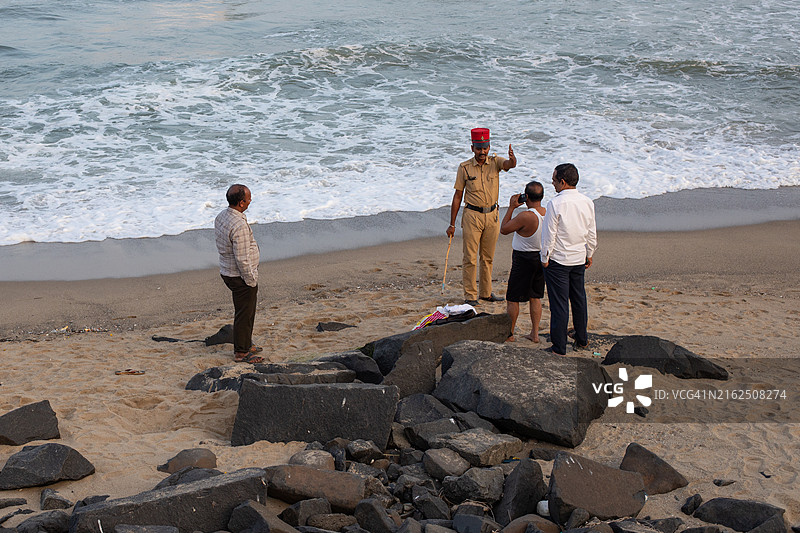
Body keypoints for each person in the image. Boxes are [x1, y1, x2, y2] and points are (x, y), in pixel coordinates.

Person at [446, 127, 517, 305]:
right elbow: (457, 196)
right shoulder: (464, 168)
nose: (482, 152)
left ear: (489, 146)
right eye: (479, 148)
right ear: (472, 148)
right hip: (472, 216)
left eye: (485, 148)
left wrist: (512, 159)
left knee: (488, 257)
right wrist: (452, 224)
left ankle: (486, 293)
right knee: (469, 258)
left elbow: (508, 165)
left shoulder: (495, 162)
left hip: (492, 215)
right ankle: (470, 296)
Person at [540, 163, 597, 355]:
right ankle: (582, 339)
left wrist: (544, 257)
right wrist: (589, 253)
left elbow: (549, 235)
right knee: (579, 299)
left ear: (563, 182)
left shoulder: (555, 203)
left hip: (558, 260)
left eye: (554, 180)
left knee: (559, 304)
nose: (553, 184)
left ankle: (559, 346)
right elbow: (591, 231)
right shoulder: (587, 202)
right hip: (578, 258)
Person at [214, 184, 264, 364]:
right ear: (242, 202)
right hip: (239, 276)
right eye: (249, 198)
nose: (251, 200)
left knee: (245, 311)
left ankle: (245, 343)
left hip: (227, 271)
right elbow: (242, 259)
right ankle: (242, 353)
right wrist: (251, 280)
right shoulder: (239, 226)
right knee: (245, 313)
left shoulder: (222, 216)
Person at [499, 180, 546, 342]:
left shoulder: (526, 216)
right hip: (540, 257)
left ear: (526, 197)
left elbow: (504, 229)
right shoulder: (546, 212)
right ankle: (535, 333)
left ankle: (510, 334)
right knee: (535, 297)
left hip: (523, 258)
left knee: (513, 298)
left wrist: (511, 207)